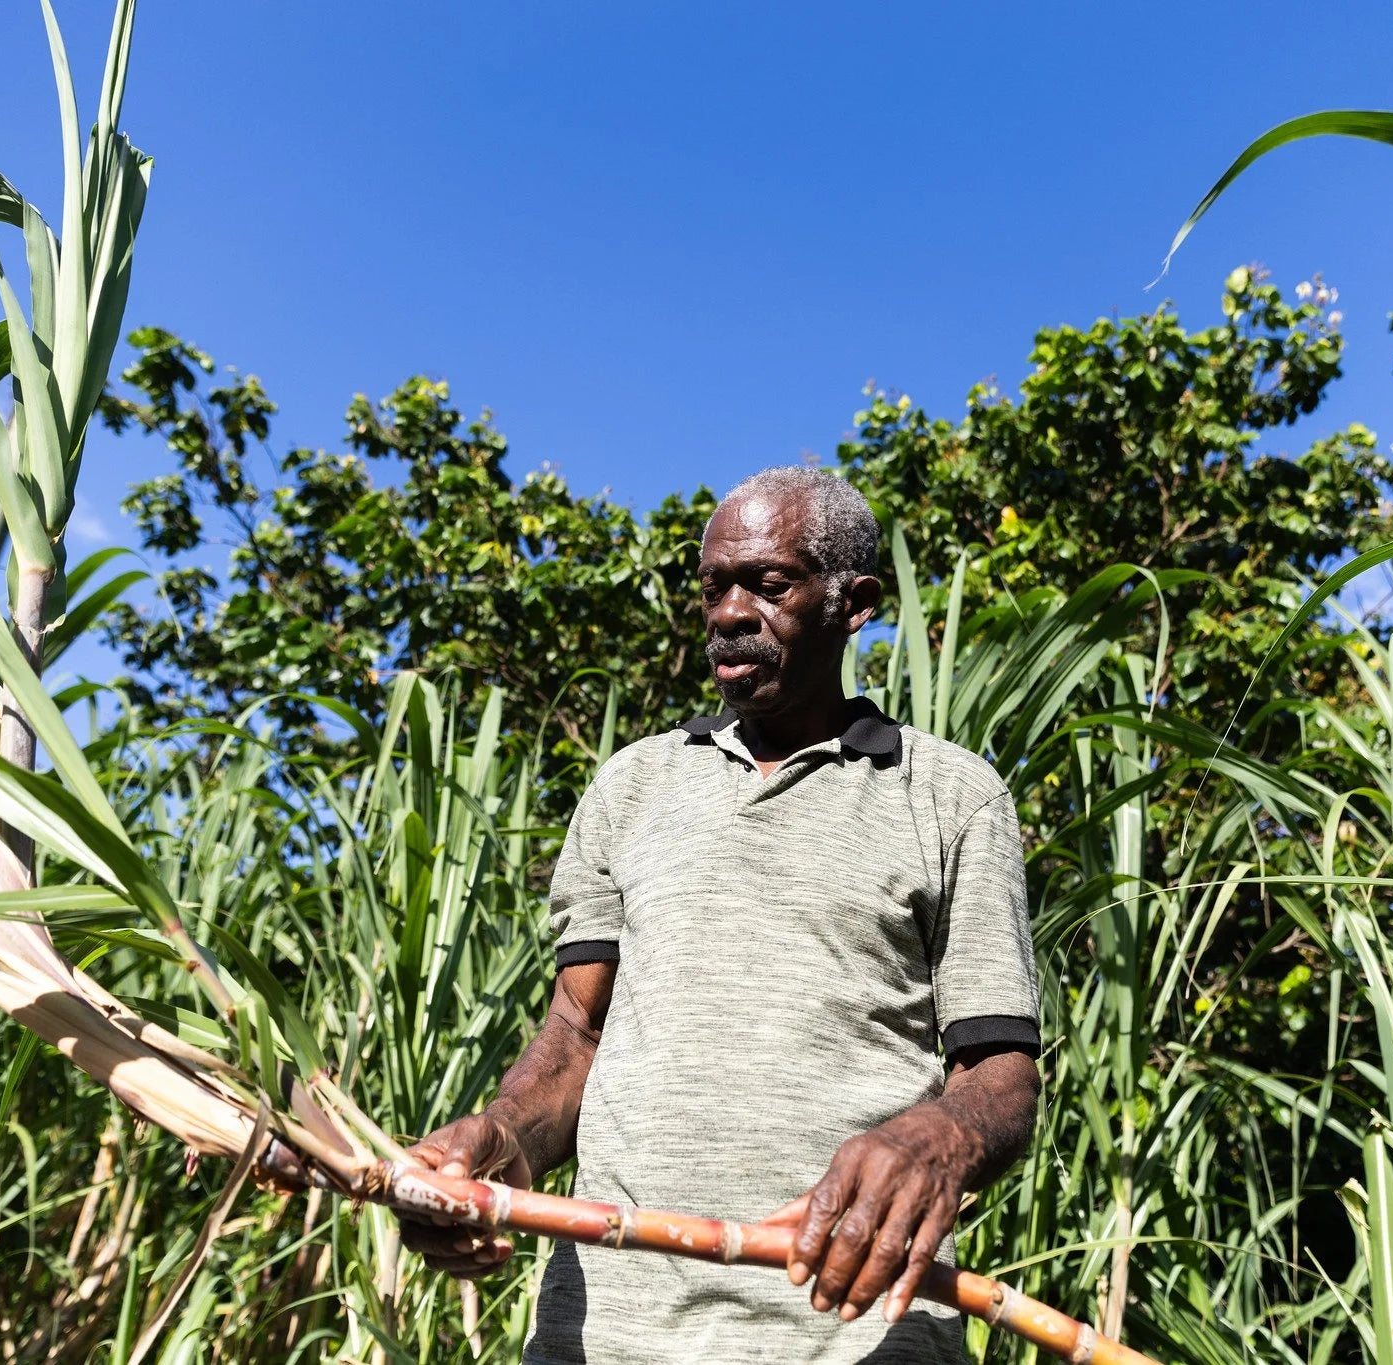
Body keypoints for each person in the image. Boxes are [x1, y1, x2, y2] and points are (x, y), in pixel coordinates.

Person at [399, 467, 1041, 1362]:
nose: (731, 612)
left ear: (854, 604)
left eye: (769, 585)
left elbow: (1001, 1072)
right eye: (714, 587)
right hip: (611, 1335)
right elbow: (577, 1033)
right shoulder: (634, 784)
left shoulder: (949, 794)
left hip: (850, 1337)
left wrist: (940, 1136)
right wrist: (503, 1135)